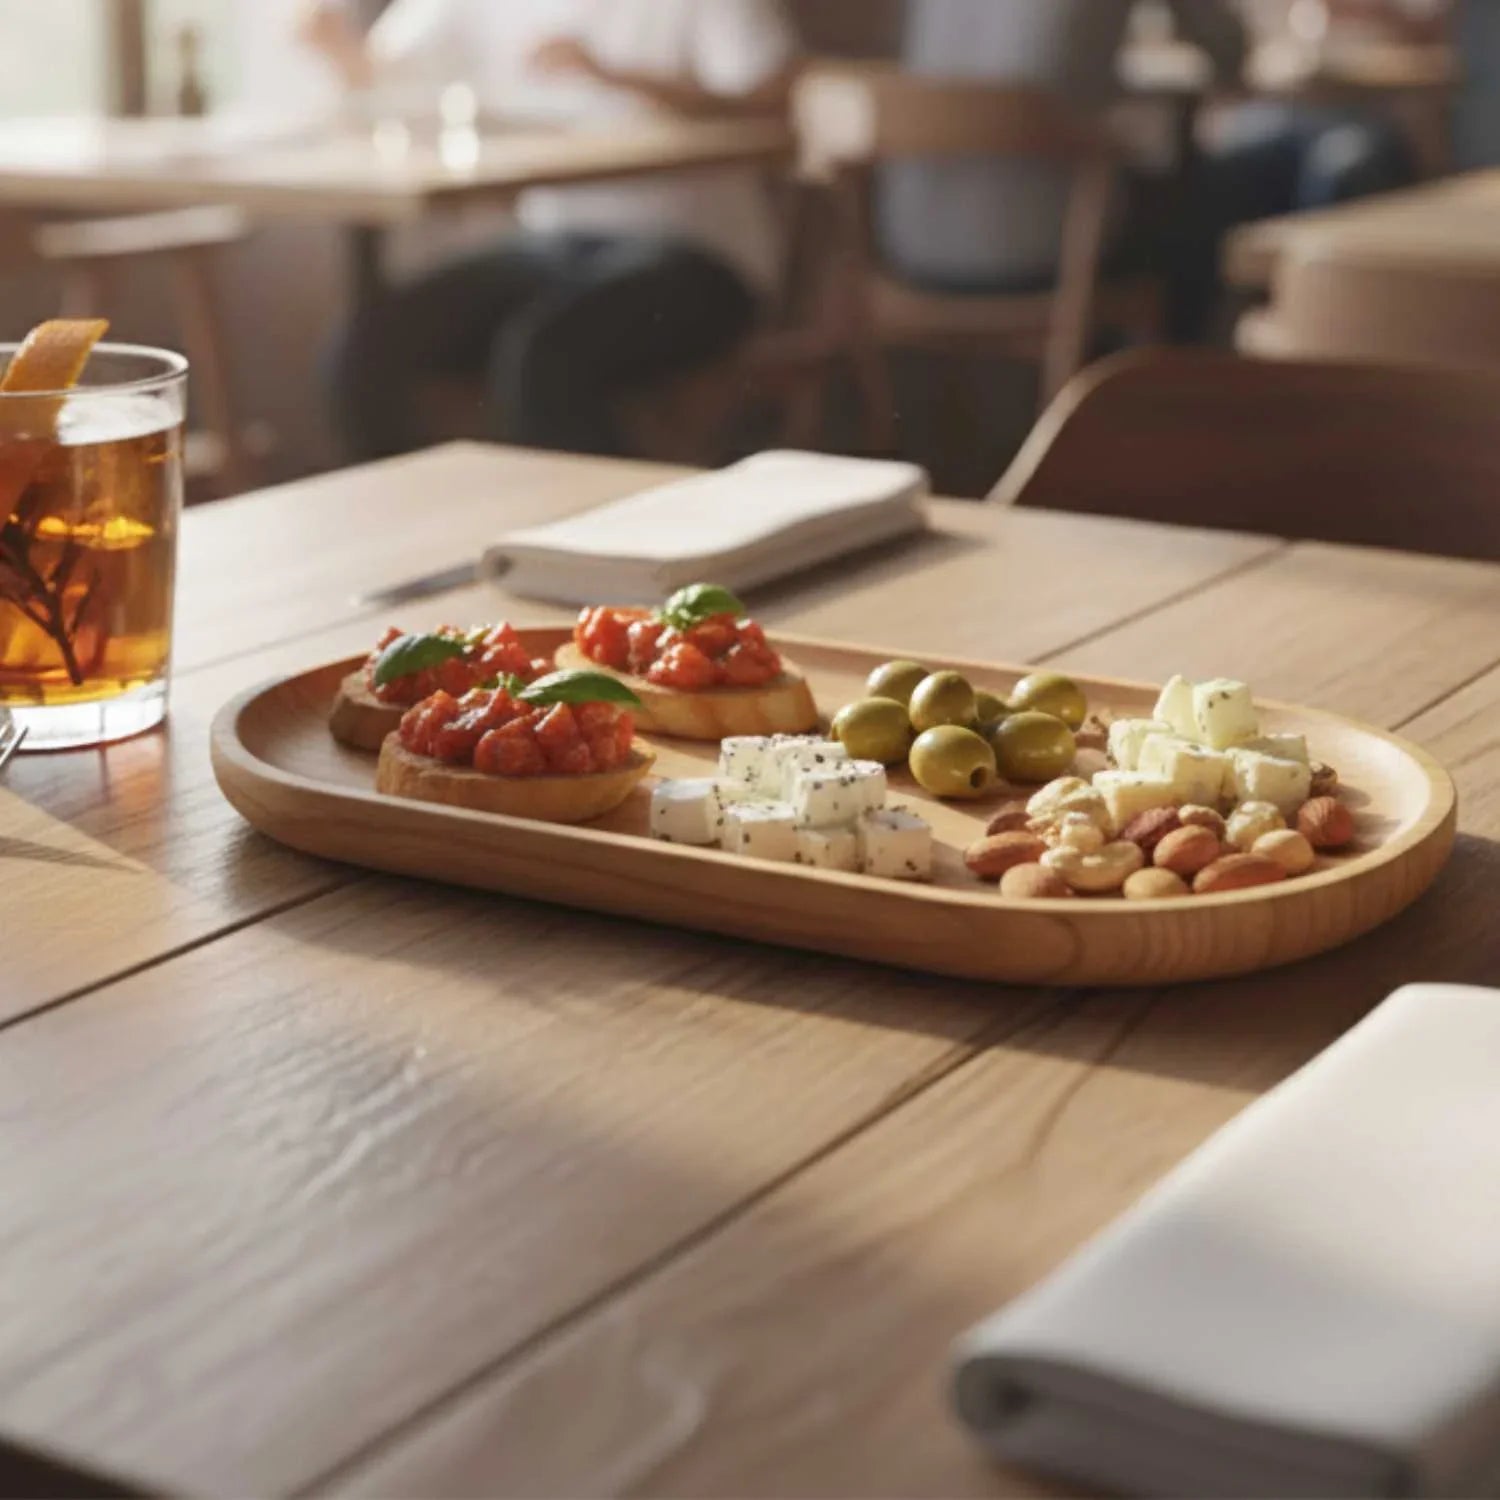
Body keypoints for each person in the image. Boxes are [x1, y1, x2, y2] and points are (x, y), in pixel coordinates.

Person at [297, 0, 799, 460]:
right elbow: (386, 74)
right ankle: (412, 536)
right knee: (368, 346)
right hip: (555, 241)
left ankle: (600, 544)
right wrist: (335, 47)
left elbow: (774, 99)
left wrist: (610, 75)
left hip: (696, 255)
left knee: (544, 355)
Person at [882, 0, 1429, 340]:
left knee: (1192, 177)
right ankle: (1224, 398)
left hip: (913, 243)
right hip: (1051, 243)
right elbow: (1227, 52)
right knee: (1326, 154)